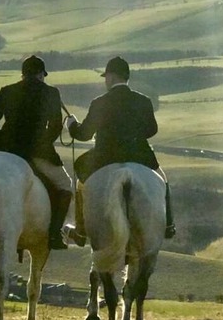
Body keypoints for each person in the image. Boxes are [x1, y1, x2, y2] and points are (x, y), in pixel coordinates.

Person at [65, 56, 175, 245]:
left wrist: (71, 125)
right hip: (139, 155)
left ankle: (81, 231)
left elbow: (84, 134)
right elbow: (152, 130)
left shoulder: (99, 102)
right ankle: (168, 225)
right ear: (127, 77)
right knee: (163, 181)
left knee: (81, 184)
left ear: (112, 77)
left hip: (104, 158)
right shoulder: (144, 101)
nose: (106, 80)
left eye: (106, 76)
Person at [0, 54, 72, 250]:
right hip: (36, 153)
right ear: (41, 74)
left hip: (4, 151)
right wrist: (41, 144)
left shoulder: (7, 91)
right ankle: (54, 235)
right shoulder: (51, 93)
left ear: (23, 74)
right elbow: (56, 126)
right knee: (66, 186)